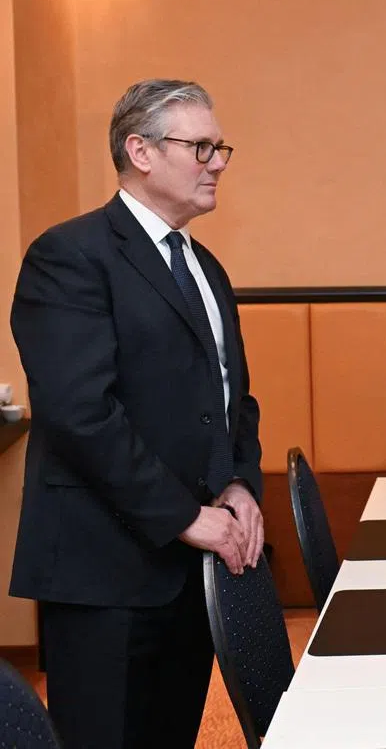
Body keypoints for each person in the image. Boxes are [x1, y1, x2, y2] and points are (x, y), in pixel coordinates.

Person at [9, 79, 265, 747]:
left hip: (190, 573)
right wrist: (184, 515)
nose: (217, 162)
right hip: (105, 576)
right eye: (201, 146)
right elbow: (79, 414)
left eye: (220, 147)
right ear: (140, 151)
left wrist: (238, 481)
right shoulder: (70, 256)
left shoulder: (204, 266)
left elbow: (231, 399)